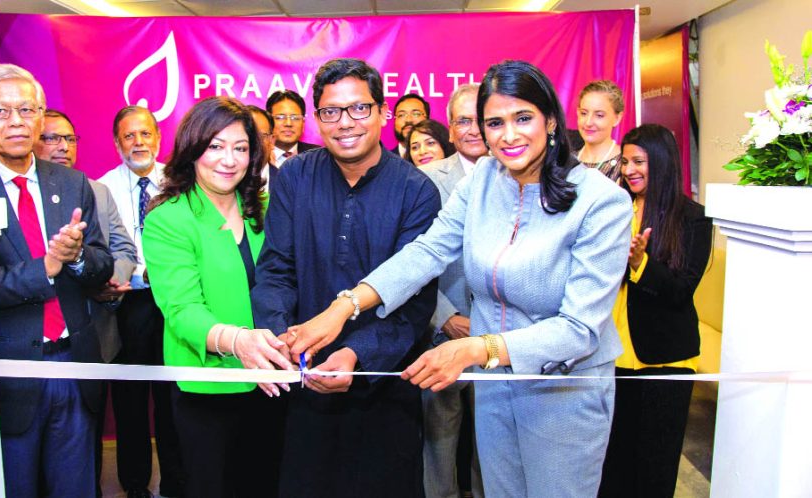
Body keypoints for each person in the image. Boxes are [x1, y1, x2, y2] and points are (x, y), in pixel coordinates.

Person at [288, 60, 633, 497]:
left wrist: (475, 348)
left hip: (564, 389)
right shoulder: (485, 179)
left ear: (549, 120)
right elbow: (428, 251)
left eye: (522, 118)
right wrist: (345, 306)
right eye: (494, 123)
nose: (508, 135)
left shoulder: (602, 202)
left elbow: (581, 328)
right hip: (494, 385)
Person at [251, 58, 441, 498]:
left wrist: (357, 353)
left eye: (359, 108)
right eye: (331, 112)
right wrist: (285, 341)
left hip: (387, 384)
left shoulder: (416, 191)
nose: (345, 123)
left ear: (382, 112)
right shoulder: (296, 177)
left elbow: (414, 302)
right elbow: (276, 270)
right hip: (305, 380)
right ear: (317, 119)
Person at [0, 63, 113, 497]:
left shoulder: (71, 183)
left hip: (74, 363)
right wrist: (44, 267)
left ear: (41, 116)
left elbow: (102, 264)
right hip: (5, 373)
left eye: (27, 110)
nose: (16, 122)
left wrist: (78, 257)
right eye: (1, 111)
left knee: (76, 486)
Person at [142, 96, 292, 498]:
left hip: (274, 382)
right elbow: (182, 310)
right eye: (216, 146)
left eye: (240, 148)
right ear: (193, 148)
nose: (229, 160)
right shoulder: (168, 219)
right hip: (209, 389)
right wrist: (237, 340)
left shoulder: (266, 206)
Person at [598, 124, 712, 498]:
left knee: (655, 468)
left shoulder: (693, 218)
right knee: (613, 464)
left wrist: (641, 263)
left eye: (639, 161)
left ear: (661, 163)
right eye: (625, 161)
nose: (629, 169)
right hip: (612, 356)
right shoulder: (614, 209)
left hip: (665, 360)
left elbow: (681, 290)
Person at [34, 109, 138, 497]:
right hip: (32, 343)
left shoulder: (95, 190)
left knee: (83, 445)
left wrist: (114, 277)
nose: (62, 147)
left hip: (93, 335)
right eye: (51, 138)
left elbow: (123, 248)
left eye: (69, 139)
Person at [97, 106, 183, 498]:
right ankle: (134, 485)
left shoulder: (182, 182)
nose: (139, 143)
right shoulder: (100, 188)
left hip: (173, 304)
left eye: (145, 134)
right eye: (129, 136)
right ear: (117, 144)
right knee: (130, 399)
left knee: (172, 398)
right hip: (127, 305)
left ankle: (176, 483)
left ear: (158, 138)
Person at [418, 83, 486, 498]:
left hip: (502, 338)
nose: (473, 129)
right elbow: (414, 259)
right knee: (439, 441)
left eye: (481, 119)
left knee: (494, 445)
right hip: (443, 333)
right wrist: (445, 317)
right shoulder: (425, 179)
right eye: (463, 120)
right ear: (450, 127)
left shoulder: (519, 174)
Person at [575, 80, 625, 182]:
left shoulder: (625, 164)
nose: (588, 122)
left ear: (617, 118)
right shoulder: (565, 161)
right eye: (584, 113)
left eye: (599, 115)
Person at [265, 90, 319, 166]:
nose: (288, 123)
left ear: (303, 123)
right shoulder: (256, 155)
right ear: (268, 121)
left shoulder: (318, 157)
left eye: (295, 118)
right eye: (280, 117)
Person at [247, 104, 279, 193]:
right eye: (247, 135)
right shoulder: (221, 182)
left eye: (260, 136)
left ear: (272, 141)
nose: (252, 142)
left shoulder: (287, 182)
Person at [392, 93, 430, 157]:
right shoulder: (382, 162)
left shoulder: (439, 159)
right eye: (401, 115)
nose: (408, 120)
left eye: (416, 114)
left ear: (427, 119)